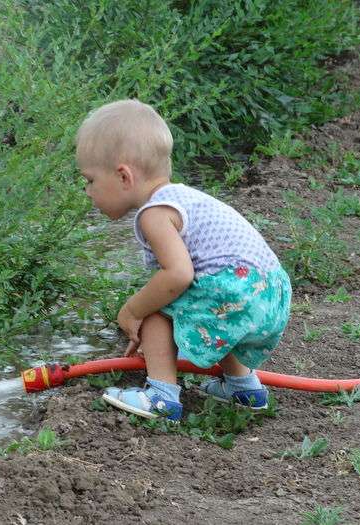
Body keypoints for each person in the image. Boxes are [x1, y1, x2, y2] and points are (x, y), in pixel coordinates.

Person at [76, 99, 292, 422]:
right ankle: (244, 388)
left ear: (124, 176)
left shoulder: (155, 214)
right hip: (270, 291)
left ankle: (162, 397)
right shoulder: (180, 198)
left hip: (240, 291)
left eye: (90, 180)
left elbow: (177, 274)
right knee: (209, 300)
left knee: (158, 306)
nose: (87, 191)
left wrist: (134, 309)